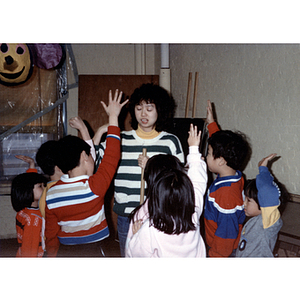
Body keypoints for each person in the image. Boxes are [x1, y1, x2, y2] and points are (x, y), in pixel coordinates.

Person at [94, 83, 184, 257]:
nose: (143, 113)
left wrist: (152, 167)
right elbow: (95, 165)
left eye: (149, 108)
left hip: (159, 215)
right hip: (126, 216)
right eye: (139, 107)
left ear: (160, 110)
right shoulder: (121, 139)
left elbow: (179, 178)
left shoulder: (170, 141)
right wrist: (98, 133)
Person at [45, 89, 128, 257]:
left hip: (65, 251)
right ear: (84, 156)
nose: (93, 158)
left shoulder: (51, 193)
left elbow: (51, 233)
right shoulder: (93, 187)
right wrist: (113, 117)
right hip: (95, 250)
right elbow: (112, 154)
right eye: (91, 155)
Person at [125, 124, 207, 257]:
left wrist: (135, 236)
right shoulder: (193, 213)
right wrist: (194, 150)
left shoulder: (148, 229)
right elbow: (198, 183)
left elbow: (134, 256)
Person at [204, 100, 250, 257]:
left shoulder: (226, 196)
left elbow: (226, 234)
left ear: (222, 160)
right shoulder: (232, 174)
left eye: (209, 153)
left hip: (222, 251)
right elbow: (219, 147)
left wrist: (216, 256)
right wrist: (211, 123)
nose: (206, 156)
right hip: (221, 243)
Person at [236, 153, 288, 257]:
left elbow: (267, 191)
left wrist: (263, 169)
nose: (244, 203)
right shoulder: (256, 219)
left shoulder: (267, 221)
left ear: (264, 203)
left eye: (249, 200)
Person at [11, 172, 48, 257]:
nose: (45, 188)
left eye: (44, 185)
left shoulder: (24, 211)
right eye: (40, 186)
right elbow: (30, 246)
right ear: (27, 190)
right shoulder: (33, 219)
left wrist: (31, 166)